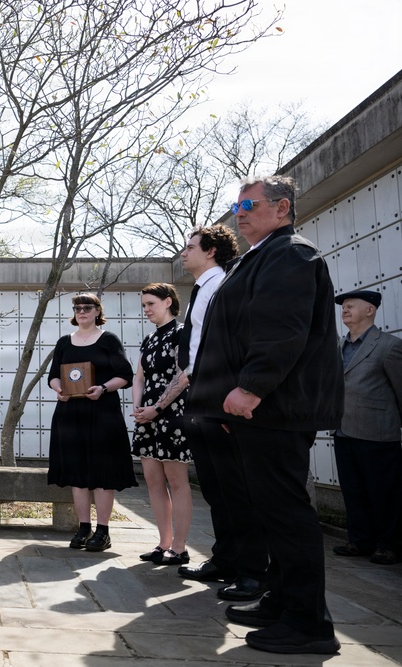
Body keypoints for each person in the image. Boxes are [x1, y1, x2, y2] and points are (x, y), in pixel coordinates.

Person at [187, 175, 344, 655]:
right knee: (271, 512)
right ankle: (282, 600)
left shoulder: (290, 252)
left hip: (276, 407)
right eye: (236, 205)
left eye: (250, 204)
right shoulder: (260, 256)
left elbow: (280, 329)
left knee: (287, 513)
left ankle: (308, 624)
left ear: (282, 208)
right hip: (260, 411)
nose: (240, 212)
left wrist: (252, 388)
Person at [167, 226, 268, 603]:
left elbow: (233, 344)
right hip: (200, 391)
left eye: (190, 247)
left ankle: (254, 571)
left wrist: (226, 397)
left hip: (218, 395)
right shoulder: (202, 289)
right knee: (215, 487)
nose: (183, 253)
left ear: (210, 251)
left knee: (235, 488)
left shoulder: (221, 285)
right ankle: (225, 558)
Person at [47, 293, 137, 552]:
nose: (82, 311)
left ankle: (103, 531)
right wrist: (59, 389)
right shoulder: (64, 342)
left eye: (87, 307)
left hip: (102, 414)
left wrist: (103, 388)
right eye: (77, 308)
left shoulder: (108, 340)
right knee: (77, 475)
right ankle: (83, 528)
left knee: (101, 475)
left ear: (98, 311)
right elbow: (54, 376)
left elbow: (125, 375)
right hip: (70, 415)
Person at [331, 290, 402, 566]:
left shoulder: (389, 346)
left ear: (370, 310)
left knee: (384, 492)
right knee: (352, 489)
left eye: (351, 306)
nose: (344, 310)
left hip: (377, 432)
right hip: (343, 429)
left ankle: (389, 545)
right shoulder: (337, 346)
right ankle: (360, 540)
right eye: (343, 307)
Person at [131, 283, 192, 566]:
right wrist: (138, 408)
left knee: (177, 482)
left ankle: (179, 548)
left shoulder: (182, 333)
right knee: (154, 481)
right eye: (144, 305)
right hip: (148, 415)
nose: (146, 310)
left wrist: (157, 408)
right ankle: (163, 543)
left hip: (172, 414)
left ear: (168, 302)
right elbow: (139, 377)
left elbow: (183, 376)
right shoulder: (150, 339)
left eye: (150, 304)